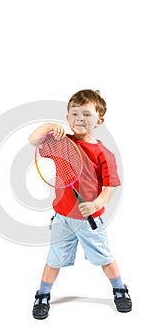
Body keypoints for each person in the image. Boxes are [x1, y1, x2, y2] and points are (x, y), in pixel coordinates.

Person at [28, 89, 132, 319]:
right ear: (67, 119)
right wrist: (47, 127)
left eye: (86, 114)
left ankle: (119, 289)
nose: (79, 119)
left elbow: (111, 186)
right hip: (63, 218)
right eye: (74, 114)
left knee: (105, 258)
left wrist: (96, 204)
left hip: (90, 221)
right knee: (53, 259)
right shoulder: (62, 144)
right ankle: (43, 295)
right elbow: (33, 140)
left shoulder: (105, 154)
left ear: (99, 120)